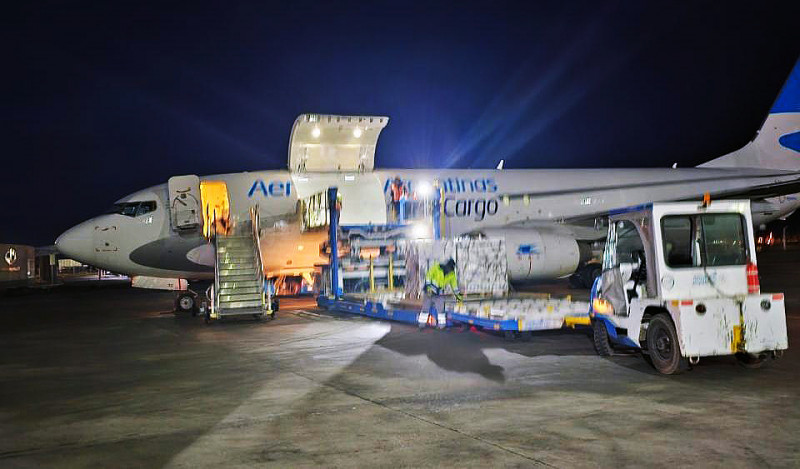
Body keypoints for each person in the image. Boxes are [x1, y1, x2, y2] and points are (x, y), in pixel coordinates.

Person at [419, 258, 463, 329]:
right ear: (446, 266)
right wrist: (429, 288)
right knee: (425, 309)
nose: (450, 271)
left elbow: (454, 286)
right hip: (429, 292)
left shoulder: (451, 275)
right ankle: (421, 325)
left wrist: (459, 297)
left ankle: (442, 326)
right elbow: (428, 276)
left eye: (451, 269)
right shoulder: (436, 268)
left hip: (439, 293)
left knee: (441, 309)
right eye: (449, 269)